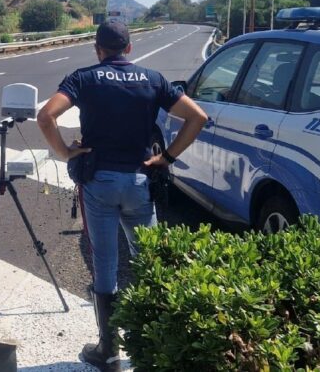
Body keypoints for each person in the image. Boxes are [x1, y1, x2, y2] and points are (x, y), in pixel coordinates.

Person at [37, 21, 207, 371]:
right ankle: (153, 347)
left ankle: (108, 352)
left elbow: (46, 116)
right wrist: (167, 157)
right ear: (129, 48)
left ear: (98, 49)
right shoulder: (153, 79)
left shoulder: (83, 78)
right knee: (150, 261)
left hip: (98, 183)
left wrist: (66, 153)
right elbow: (197, 116)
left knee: (105, 265)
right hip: (140, 181)